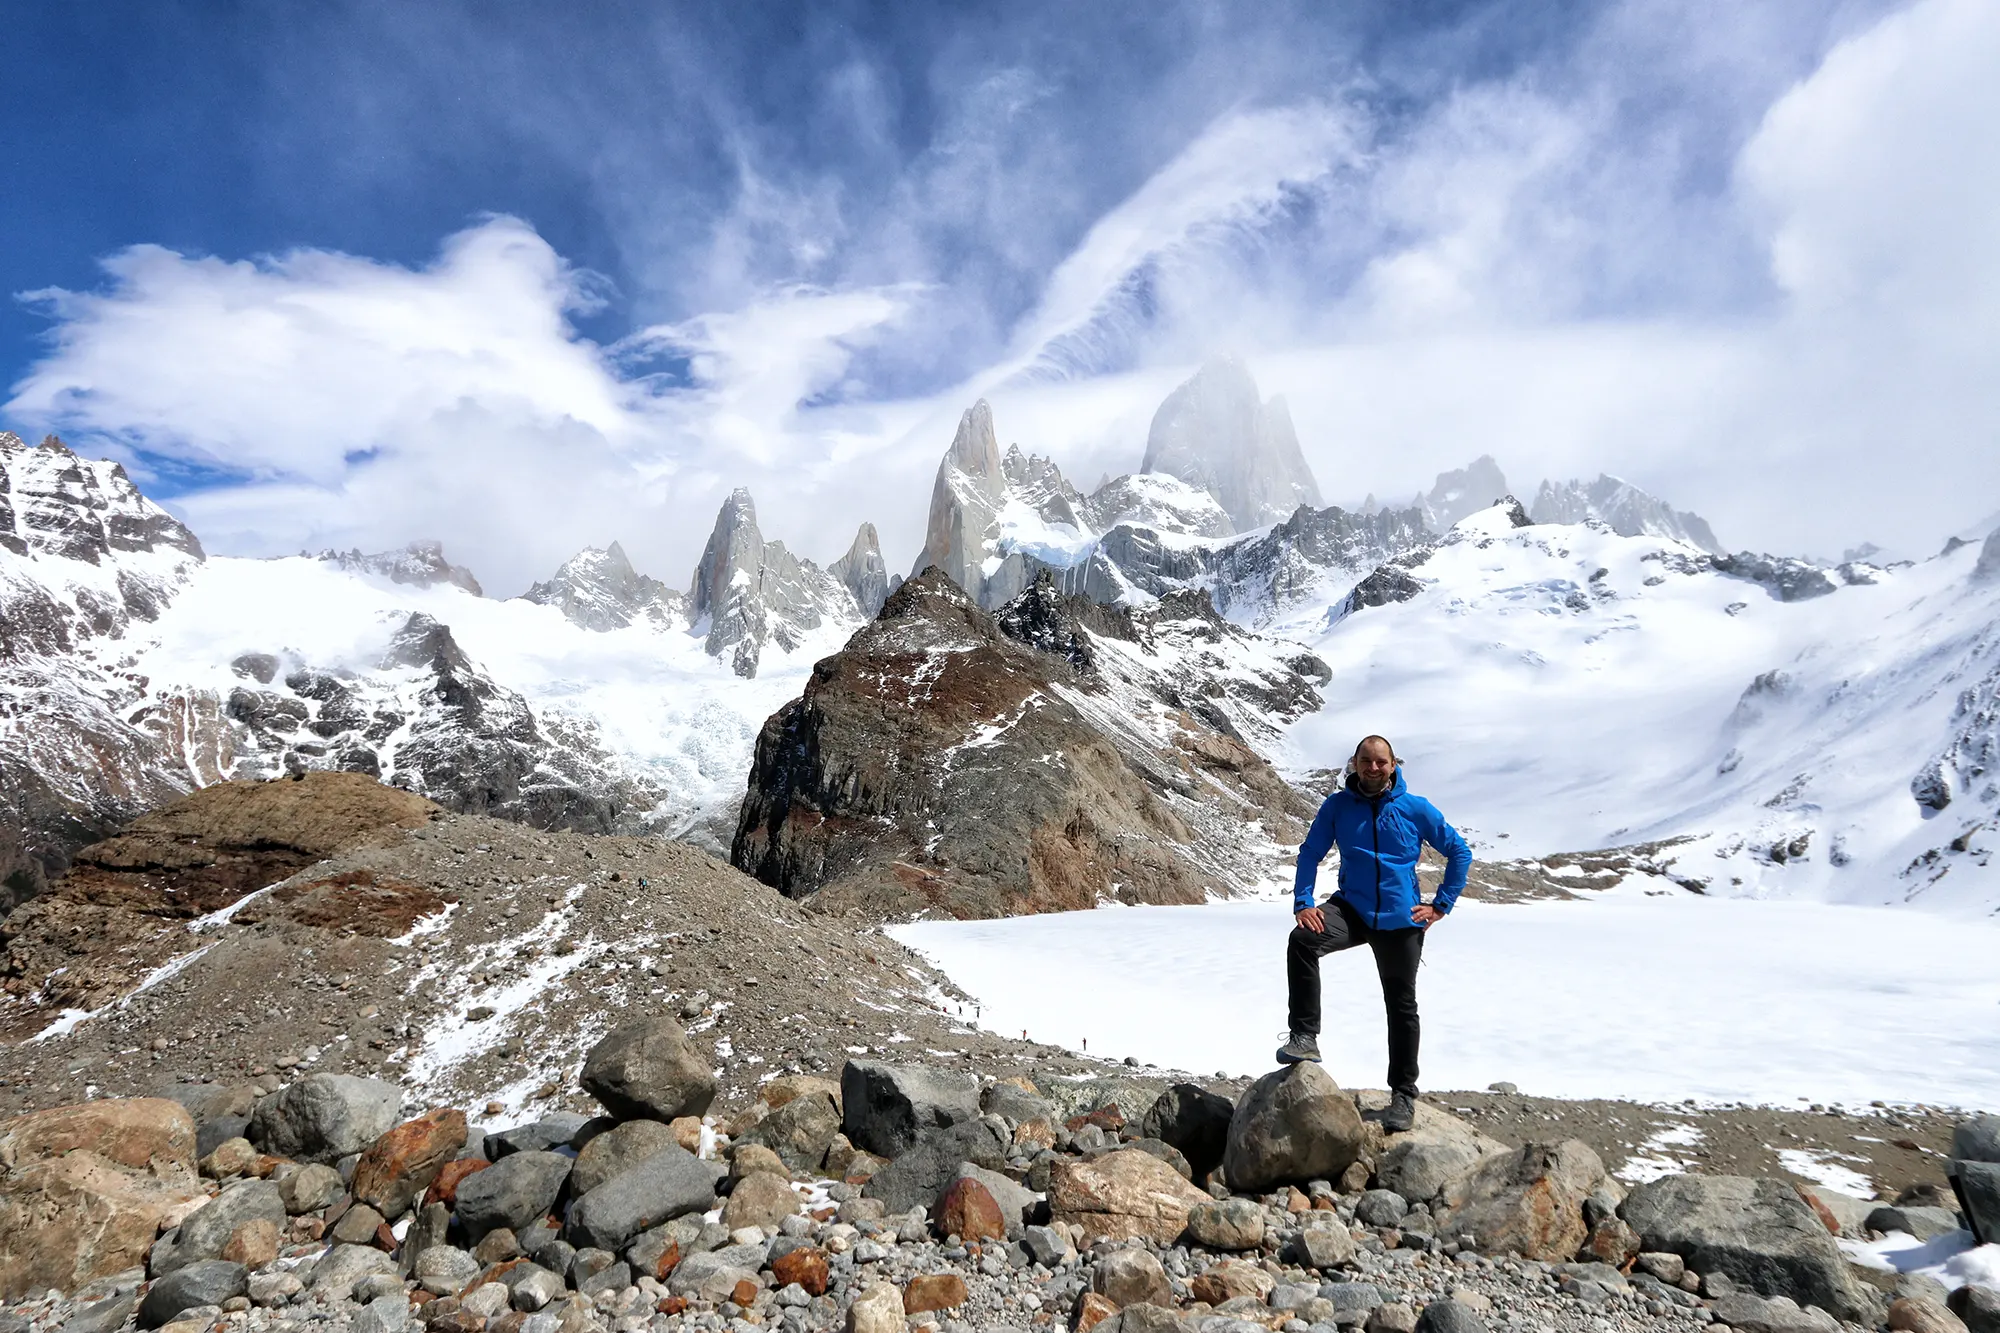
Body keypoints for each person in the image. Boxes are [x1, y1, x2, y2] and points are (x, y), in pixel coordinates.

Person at [1278, 734, 1470, 1134]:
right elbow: (1311, 853)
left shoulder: (1415, 808)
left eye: (1381, 761)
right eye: (1366, 760)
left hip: (1402, 918)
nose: (1373, 768)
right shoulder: (1337, 806)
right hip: (1353, 909)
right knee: (1303, 941)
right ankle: (1304, 1035)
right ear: (1355, 763)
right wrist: (1303, 902)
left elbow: (1459, 851)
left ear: (1394, 765)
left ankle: (1403, 1094)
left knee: (1401, 1005)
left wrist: (1441, 904)